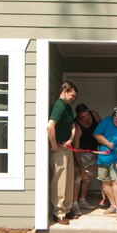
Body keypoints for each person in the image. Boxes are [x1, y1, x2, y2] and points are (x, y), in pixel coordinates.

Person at [94, 105, 117, 221]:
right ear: (113, 116)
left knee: (116, 182)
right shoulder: (106, 121)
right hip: (103, 158)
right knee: (105, 182)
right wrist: (107, 143)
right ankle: (113, 205)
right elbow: (97, 135)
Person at [46, 82, 77, 225]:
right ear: (64, 92)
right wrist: (54, 146)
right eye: (72, 95)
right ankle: (59, 213)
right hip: (59, 149)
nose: (73, 99)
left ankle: (67, 209)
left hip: (67, 148)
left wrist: (70, 140)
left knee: (68, 179)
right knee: (59, 181)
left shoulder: (68, 107)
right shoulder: (59, 106)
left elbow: (73, 126)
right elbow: (50, 126)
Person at [72, 103, 101, 212]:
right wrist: (80, 167)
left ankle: (82, 200)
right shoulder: (77, 125)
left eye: (87, 115)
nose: (86, 118)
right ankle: (74, 204)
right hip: (80, 154)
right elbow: (75, 148)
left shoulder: (95, 115)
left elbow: (104, 129)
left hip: (93, 152)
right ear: (78, 117)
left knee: (88, 178)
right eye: (83, 117)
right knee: (78, 178)